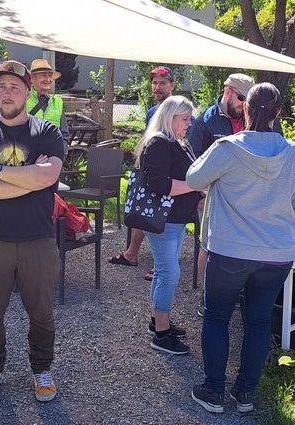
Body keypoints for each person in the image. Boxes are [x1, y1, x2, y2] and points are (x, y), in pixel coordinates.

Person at [186, 82, 295, 414]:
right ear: (278, 113)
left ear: (245, 109)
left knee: (217, 317)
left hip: (230, 251)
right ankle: (245, 393)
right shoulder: (293, 155)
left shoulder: (227, 148)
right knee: (258, 321)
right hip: (276, 254)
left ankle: (214, 391)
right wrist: (284, 241)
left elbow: (194, 178)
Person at [0, 60, 65, 403]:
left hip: (38, 238)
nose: (8, 94)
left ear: (27, 91)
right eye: (2, 87)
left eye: (15, 88)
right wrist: (27, 179)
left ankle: (42, 371)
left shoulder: (47, 132)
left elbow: (48, 176)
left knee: (42, 313)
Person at [138, 95, 202, 355]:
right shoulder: (159, 143)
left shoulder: (176, 142)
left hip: (173, 218)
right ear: (170, 117)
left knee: (164, 271)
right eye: (185, 119)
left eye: (190, 118)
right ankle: (161, 335)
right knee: (169, 273)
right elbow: (160, 185)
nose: (189, 123)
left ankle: (158, 322)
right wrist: (194, 186)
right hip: (163, 219)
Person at [186, 73, 255, 315]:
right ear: (228, 92)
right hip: (213, 196)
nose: (245, 105)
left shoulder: (251, 117)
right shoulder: (206, 120)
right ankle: (207, 298)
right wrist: (203, 192)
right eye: (241, 99)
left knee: (241, 246)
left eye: (248, 101)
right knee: (209, 246)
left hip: (245, 196)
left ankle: (235, 293)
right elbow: (192, 158)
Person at [109, 66, 177, 274]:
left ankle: (161, 266)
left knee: (164, 217)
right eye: (154, 83)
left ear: (172, 85)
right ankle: (132, 254)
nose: (157, 87)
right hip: (150, 171)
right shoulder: (152, 112)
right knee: (143, 210)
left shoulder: (177, 110)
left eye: (162, 83)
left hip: (169, 175)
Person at [25, 58, 70, 143]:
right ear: (32, 78)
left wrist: (61, 150)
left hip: (53, 150)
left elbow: (64, 135)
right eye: (44, 75)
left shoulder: (57, 102)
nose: (48, 80)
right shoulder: (23, 99)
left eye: (50, 76)